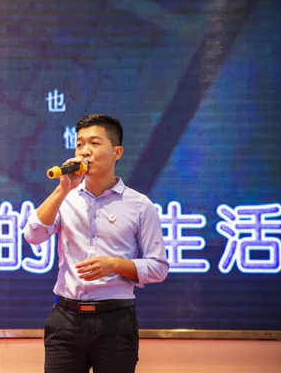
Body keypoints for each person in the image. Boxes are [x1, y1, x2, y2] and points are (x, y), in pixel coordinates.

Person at [25, 113, 169, 373]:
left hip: (115, 322)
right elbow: (33, 235)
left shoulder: (139, 205)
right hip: (66, 319)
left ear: (117, 152)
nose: (85, 151)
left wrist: (114, 264)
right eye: (79, 144)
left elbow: (158, 267)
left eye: (94, 143)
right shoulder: (65, 198)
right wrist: (62, 189)